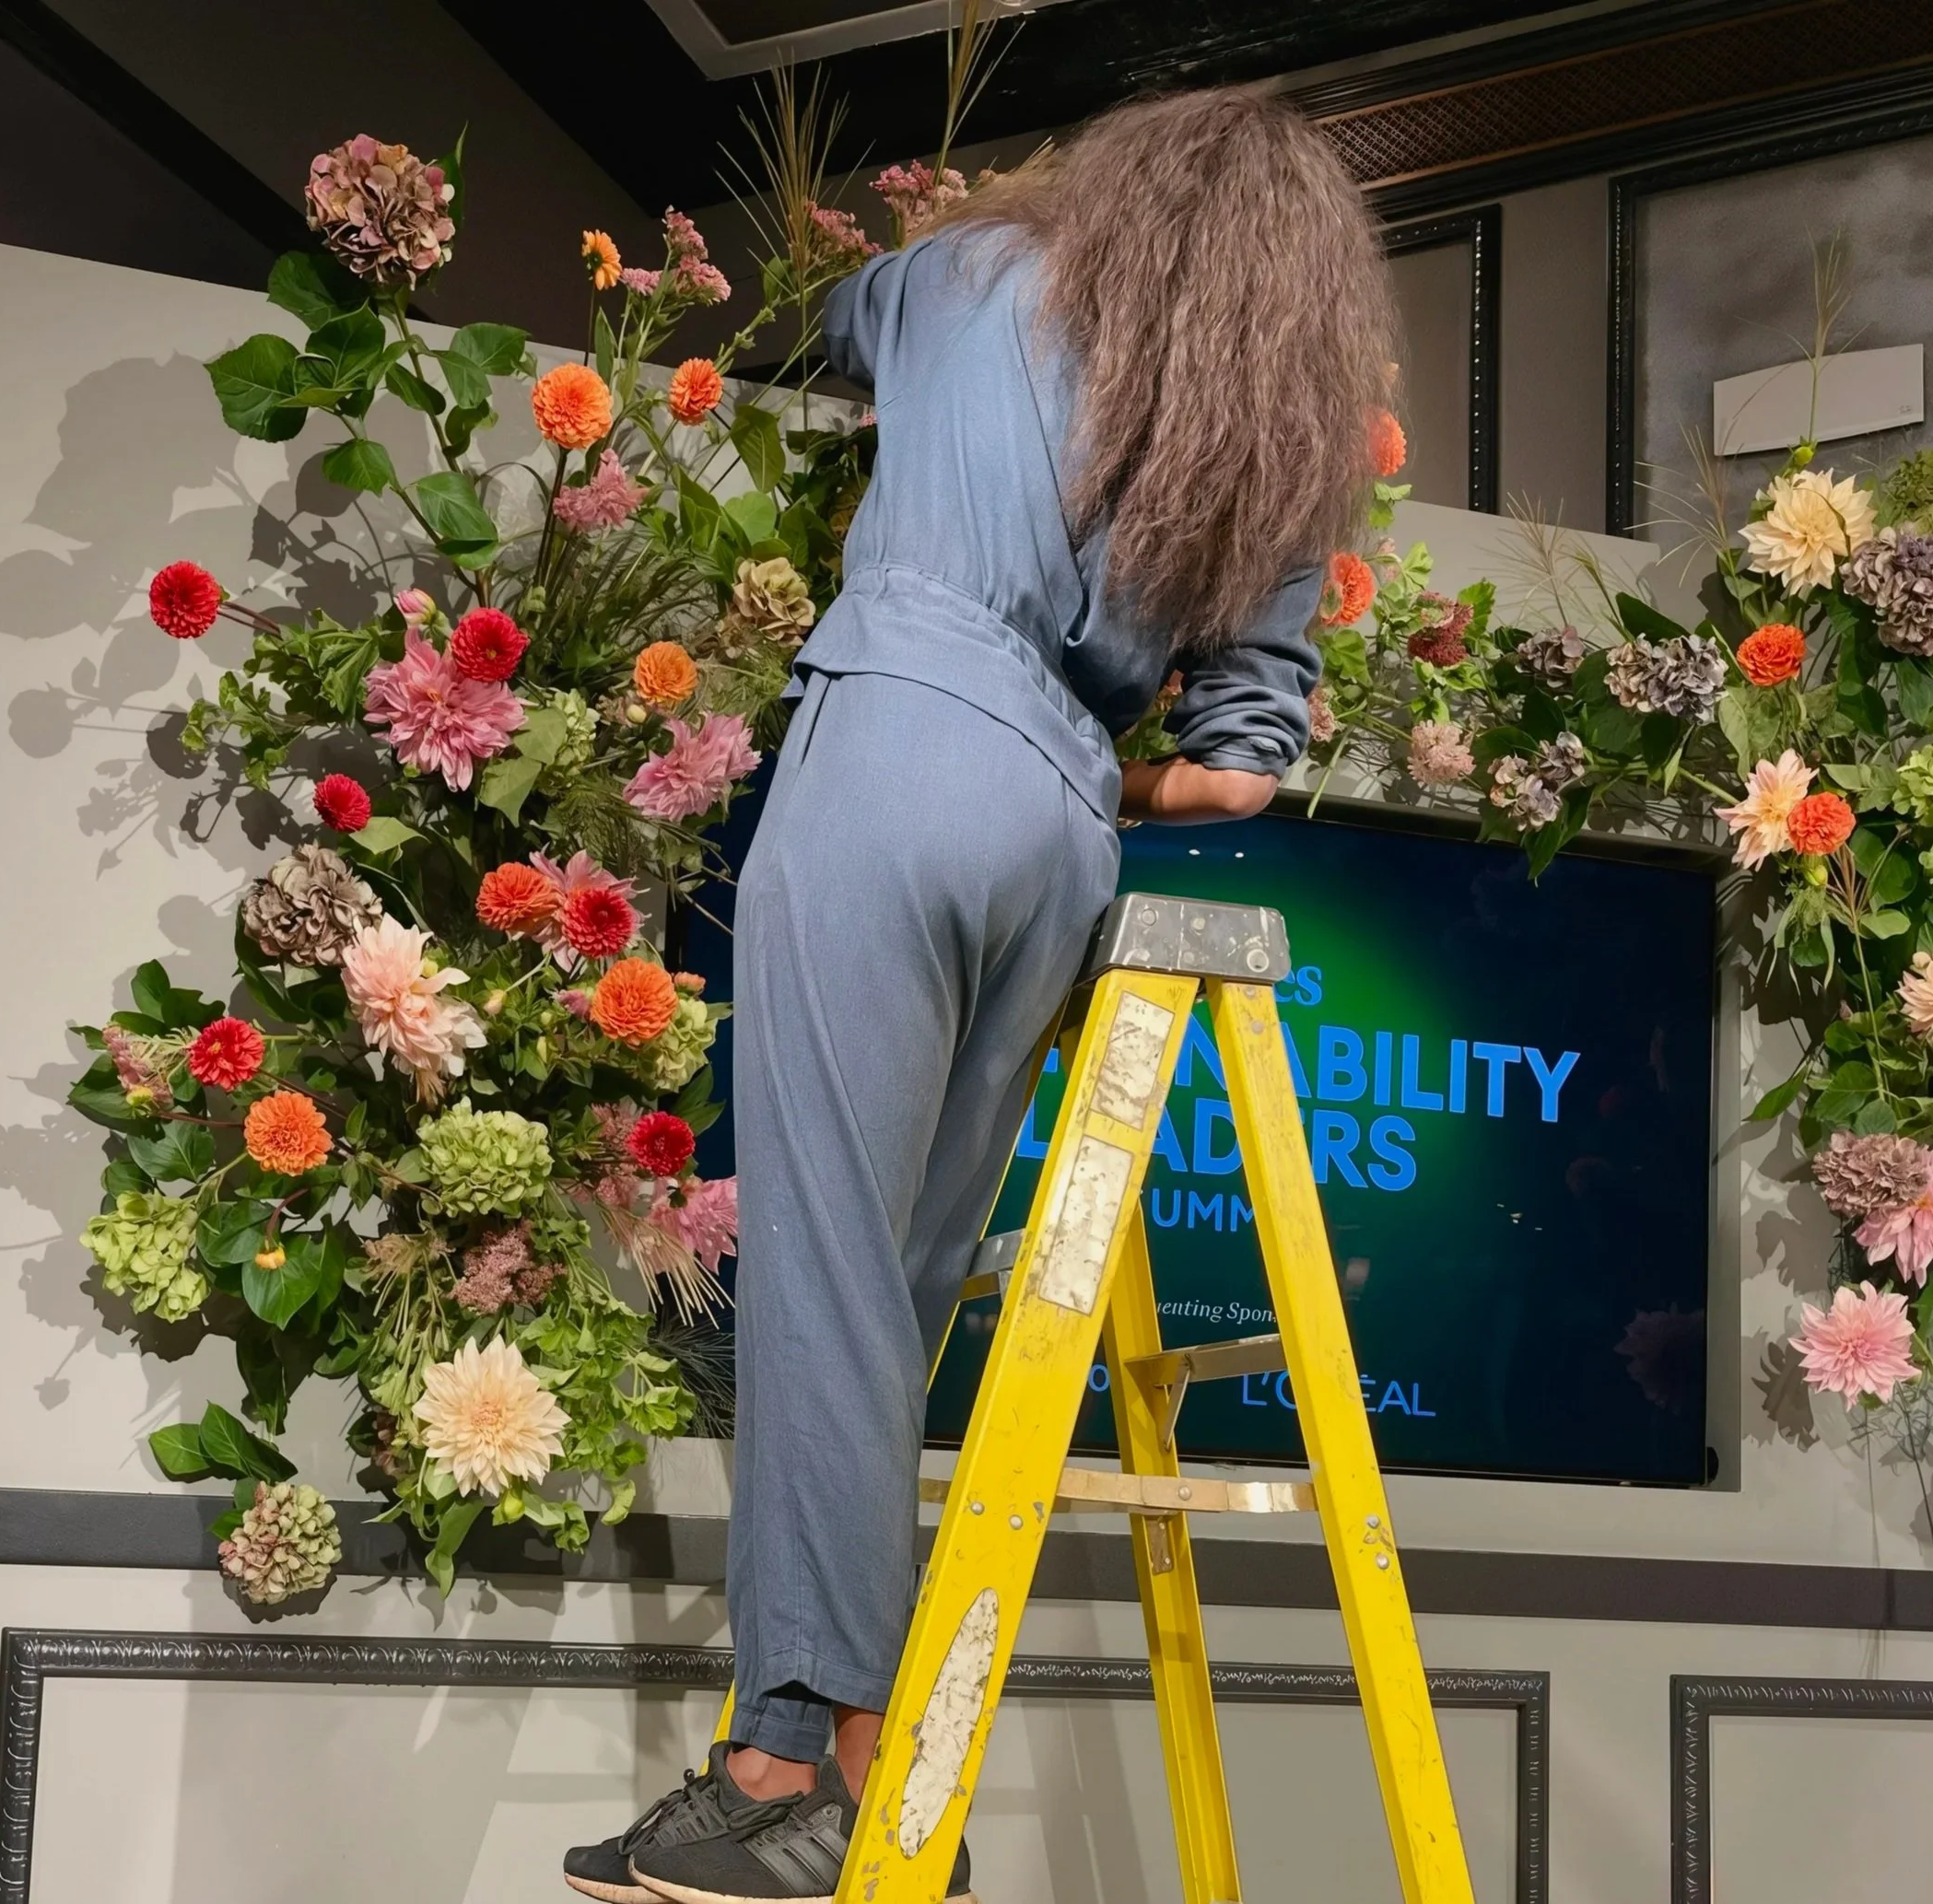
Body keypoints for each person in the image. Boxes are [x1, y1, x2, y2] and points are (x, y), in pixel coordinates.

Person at [565, 83, 1397, 1904]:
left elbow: (812, 312)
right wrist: (1078, 763)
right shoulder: (1271, 421)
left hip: (894, 759)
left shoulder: (969, 280)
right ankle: (855, 1783)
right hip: (1063, 839)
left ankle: (776, 1768)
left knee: (825, 1282)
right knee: (898, 1299)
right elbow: (1242, 774)